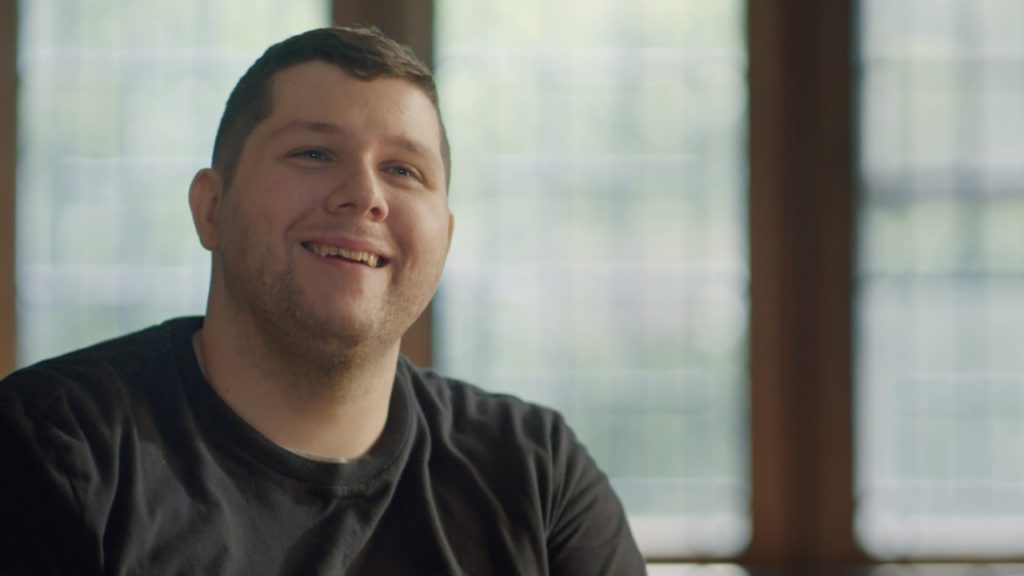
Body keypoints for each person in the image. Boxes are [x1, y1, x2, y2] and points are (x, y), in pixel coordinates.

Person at [0, 26, 646, 575]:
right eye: (313, 153)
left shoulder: (535, 474)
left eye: (403, 170)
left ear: (444, 238)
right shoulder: (53, 446)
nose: (364, 194)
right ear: (211, 209)